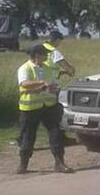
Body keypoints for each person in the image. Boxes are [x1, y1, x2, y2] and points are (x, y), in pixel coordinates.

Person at [16, 44, 74, 174]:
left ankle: (60, 163)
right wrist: (42, 84)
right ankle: (23, 165)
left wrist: (54, 86)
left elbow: (54, 80)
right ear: (37, 55)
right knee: (28, 136)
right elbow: (24, 84)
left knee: (56, 133)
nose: (47, 56)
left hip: (49, 106)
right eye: (44, 54)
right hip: (30, 108)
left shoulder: (48, 68)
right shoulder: (25, 68)